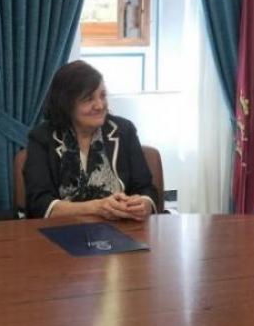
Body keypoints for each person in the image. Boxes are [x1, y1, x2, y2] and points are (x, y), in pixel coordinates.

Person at [23, 60, 160, 219]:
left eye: (102, 95)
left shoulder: (124, 130)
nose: (100, 105)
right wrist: (96, 207)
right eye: (89, 99)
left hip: (122, 231)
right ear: (66, 104)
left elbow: (146, 189)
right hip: (61, 231)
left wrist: (143, 203)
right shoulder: (42, 137)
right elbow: (39, 204)